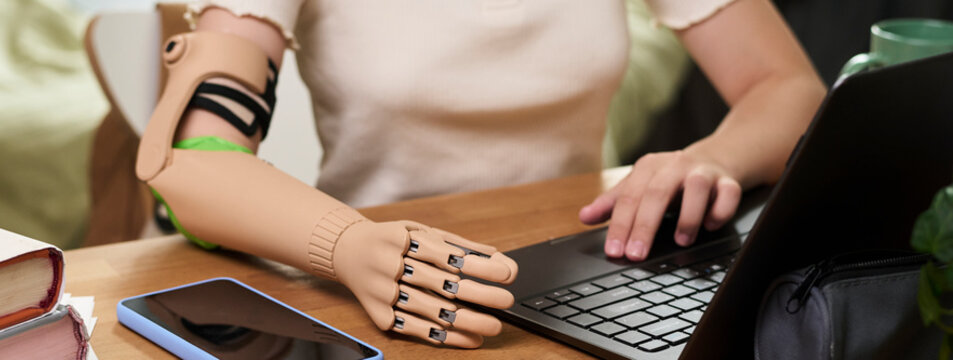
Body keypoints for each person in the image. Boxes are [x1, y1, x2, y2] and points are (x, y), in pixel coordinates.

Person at [139, 0, 826, 348]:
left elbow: (786, 85)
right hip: (377, 291)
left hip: (591, 280)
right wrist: (343, 243)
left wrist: (714, 156)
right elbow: (190, 163)